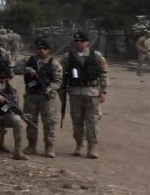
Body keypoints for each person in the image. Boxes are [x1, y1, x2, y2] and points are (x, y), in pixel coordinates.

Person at [64, 31, 108, 159]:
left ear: (87, 42)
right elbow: (61, 76)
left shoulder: (96, 56)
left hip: (92, 93)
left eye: (81, 41)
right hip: (75, 93)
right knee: (77, 121)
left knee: (92, 121)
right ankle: (79, 145)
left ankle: (92, 147)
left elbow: (104, 74)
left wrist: (103, 91)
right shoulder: (68, 57)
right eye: (76, 41)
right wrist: (61, 92)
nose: (78, 43)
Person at [22, 37, 63, 157]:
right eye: (38, 48)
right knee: (30, 121)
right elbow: (15, 69)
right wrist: (28, 69)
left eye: (43, 49)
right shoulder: (29, 61)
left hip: (47, 97)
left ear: (48, 50)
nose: (40, 51)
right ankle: (31, 146)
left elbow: (58, 81)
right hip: (31, 96)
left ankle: (49, 147)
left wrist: (49, 88)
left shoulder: (54, 64)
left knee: (49, 123)